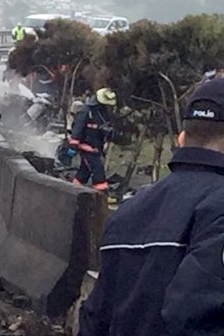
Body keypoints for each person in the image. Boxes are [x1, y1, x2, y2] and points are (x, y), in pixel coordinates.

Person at [79, 78, 224, 336]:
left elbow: (95, 319)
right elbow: (194, 315)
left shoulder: (128, 211)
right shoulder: (218, 208)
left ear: (181, 138)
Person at [69, 87, 116, 199]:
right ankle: (102, 196)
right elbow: (78, 128)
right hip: (86, 146)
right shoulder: (86, 111)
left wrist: (109, 133)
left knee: (84, 172)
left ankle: (72, 190)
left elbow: (105, 127)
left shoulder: (102, 112)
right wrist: (73, 145)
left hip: (96, 146)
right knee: (98, 169)